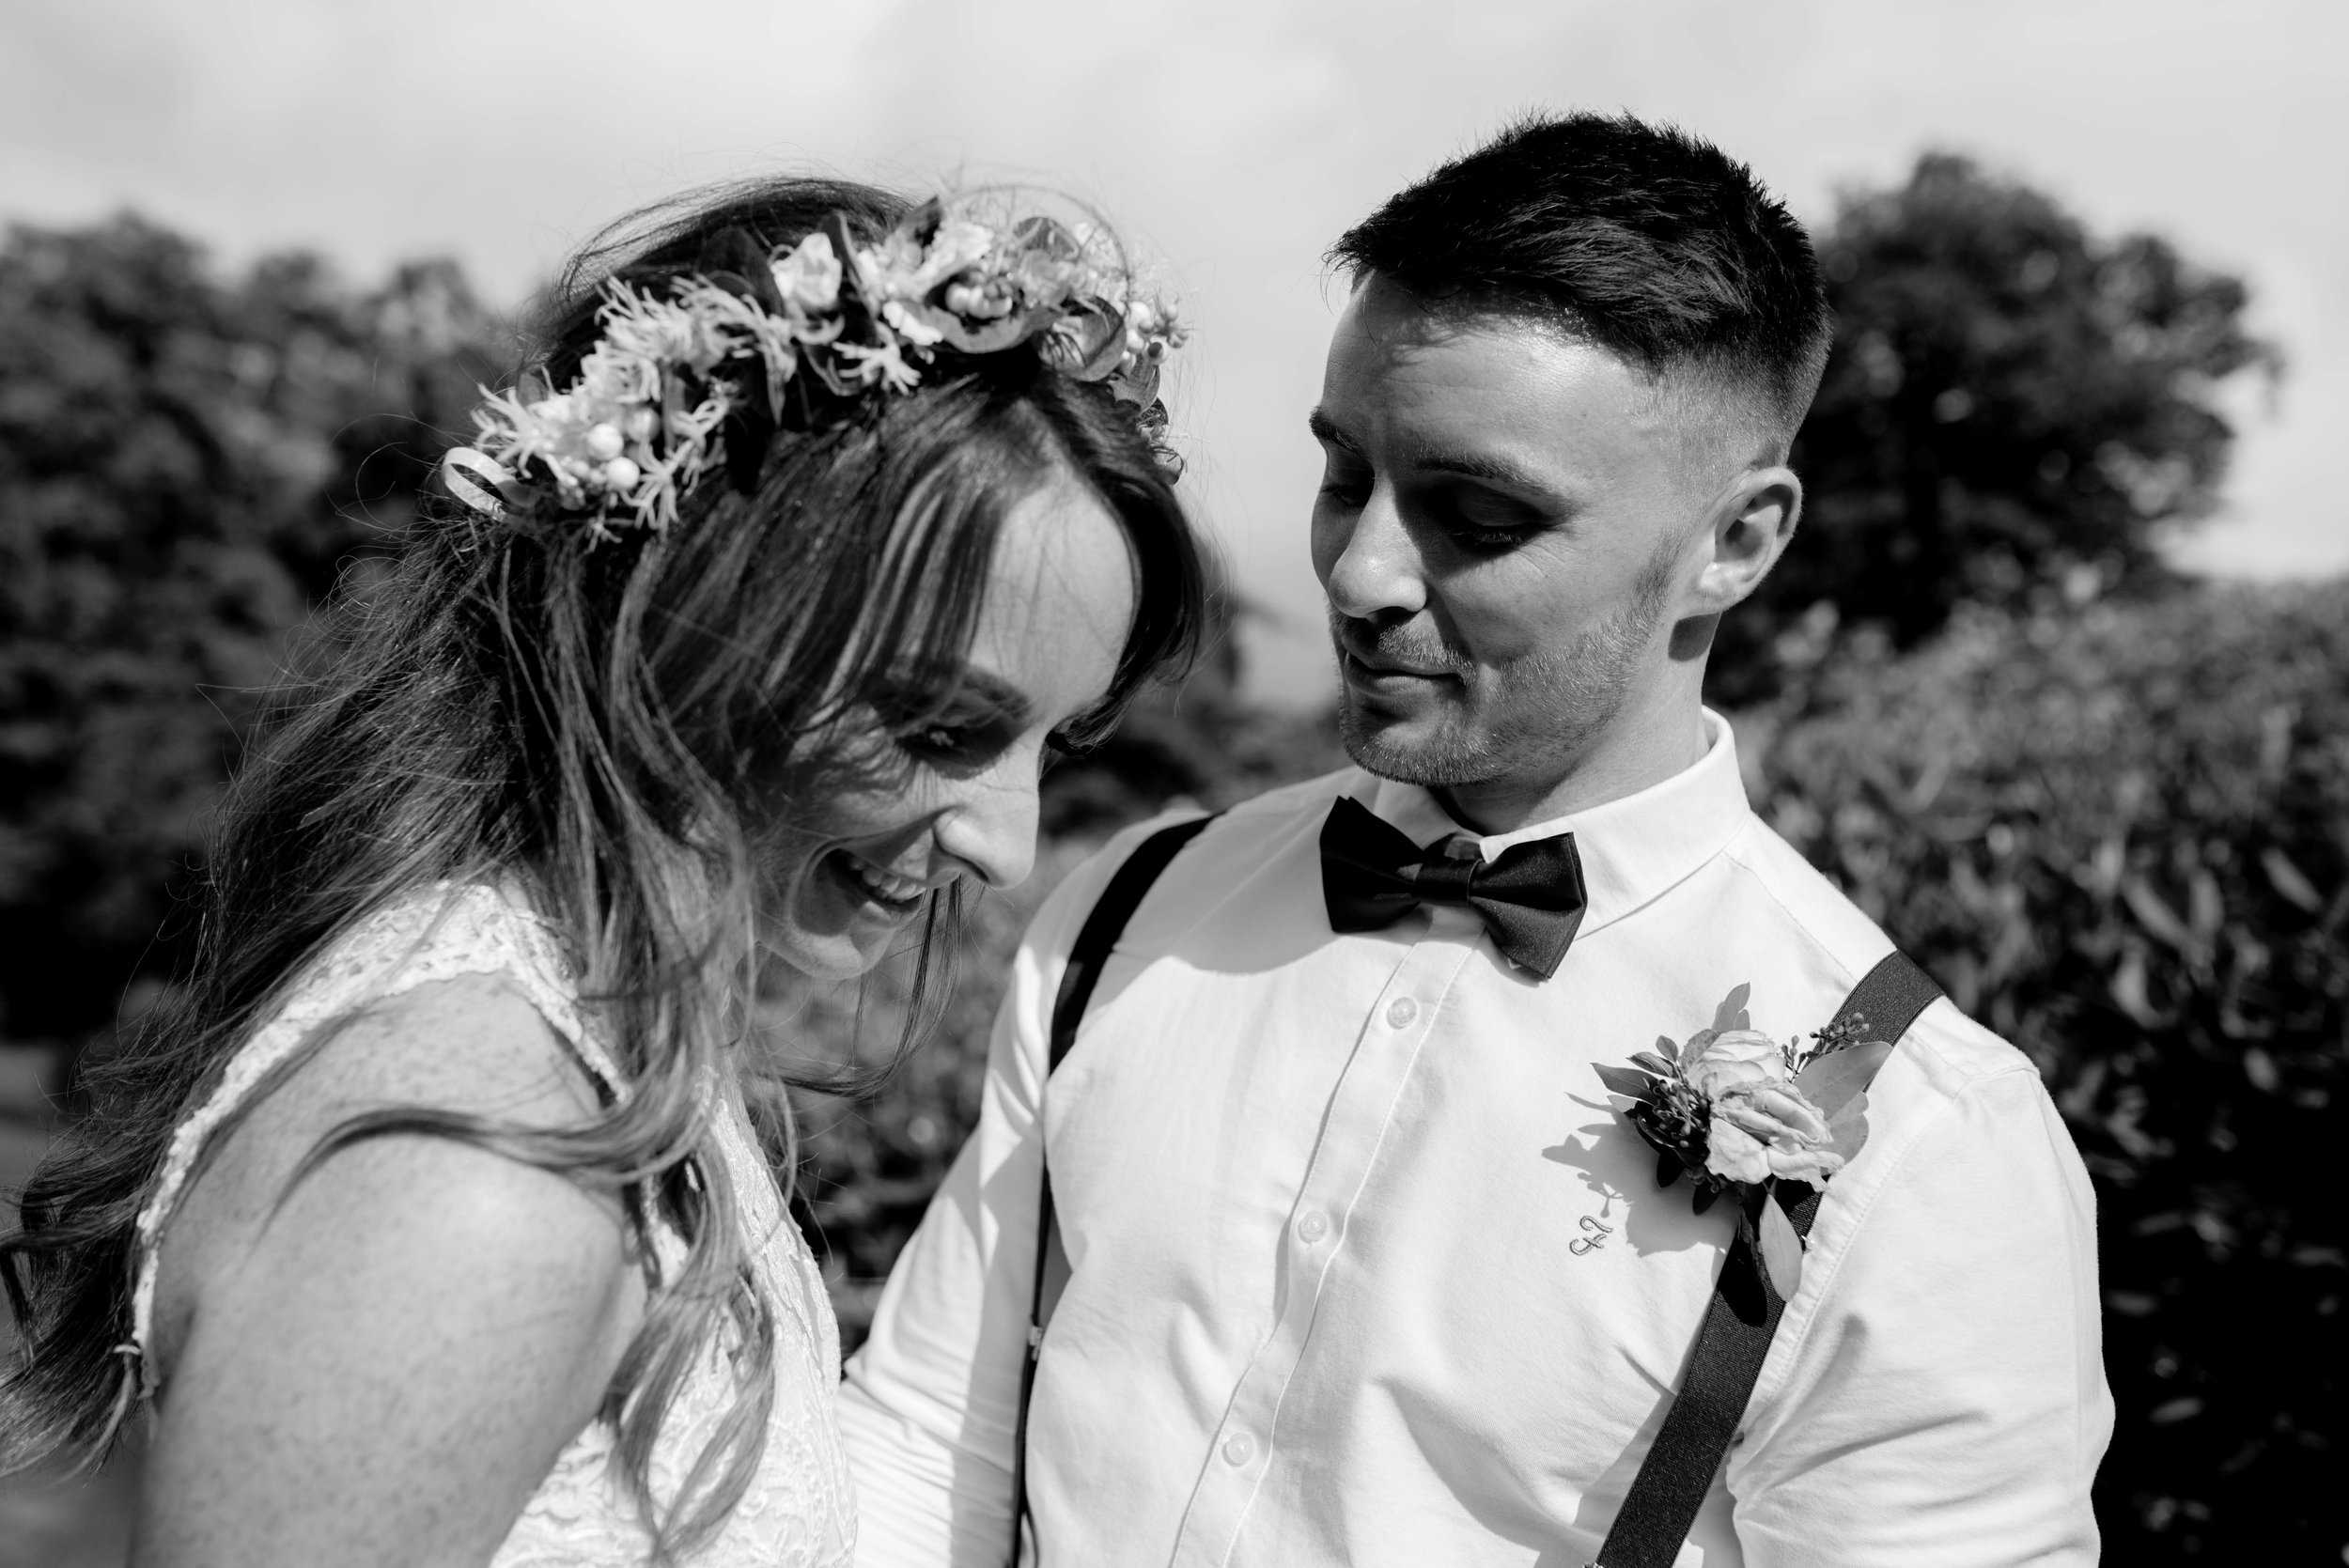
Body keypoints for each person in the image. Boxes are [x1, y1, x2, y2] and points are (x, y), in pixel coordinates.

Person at [840, 113, 2112, 1567]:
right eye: (1342, 476)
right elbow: (927, 1436)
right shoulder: (1128, 913)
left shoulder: (1932, 1142)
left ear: (1738, 542)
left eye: (1478, 514)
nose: (1364, 571)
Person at [0, 178, 1206, 1568]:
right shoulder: (478, 1174)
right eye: (943, 728)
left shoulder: (604, 1051)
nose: (1004, 839)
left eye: (1056, 741)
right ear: (688, 625)